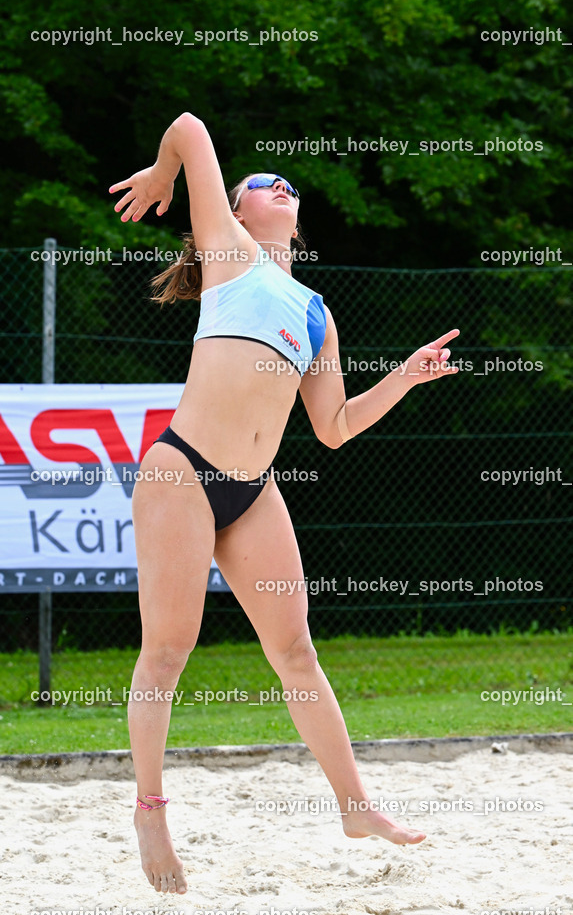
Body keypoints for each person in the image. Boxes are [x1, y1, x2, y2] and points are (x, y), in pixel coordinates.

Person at [109, 111, 459, 896]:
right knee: (168, 650)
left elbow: (332, 429)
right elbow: (189, 126)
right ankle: (151, 810)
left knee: (296, 650)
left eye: (285, 184)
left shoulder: (315, 311)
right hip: (183, 473)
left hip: (254, 489)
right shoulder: (228, 254)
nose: (280, 185)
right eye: (261, 181)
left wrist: (401, 377)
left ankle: (356, 805)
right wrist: (166, 174)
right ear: (234, 212)